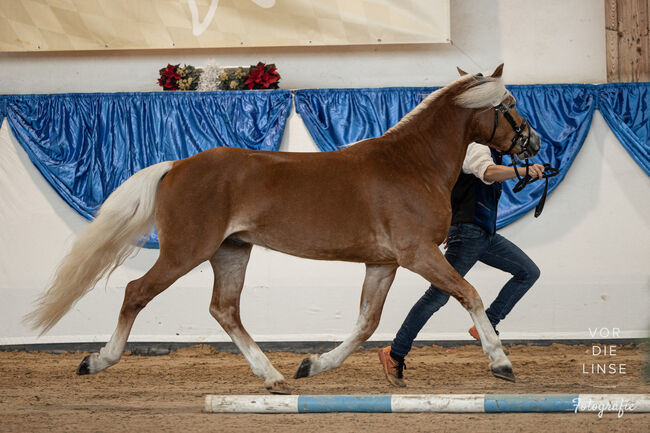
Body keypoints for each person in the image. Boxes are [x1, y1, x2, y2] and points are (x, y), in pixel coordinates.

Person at [378, 142, 545, 387]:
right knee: (436, 297)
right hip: (468, 234)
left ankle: (487, 324)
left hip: (484, 235)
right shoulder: (476, 146)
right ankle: (394, 353)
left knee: (527, 272)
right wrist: (522, 171)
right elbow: (487, 173)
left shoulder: (489, 151)